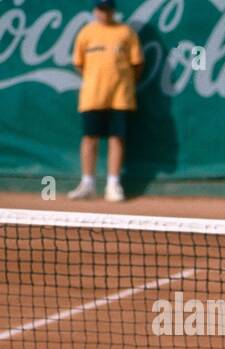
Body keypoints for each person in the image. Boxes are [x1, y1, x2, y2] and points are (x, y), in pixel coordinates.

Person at [68, 1, 143, 203]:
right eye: (101, 9)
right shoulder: (86, 33)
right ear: (95, 10)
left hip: (120, 96)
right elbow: (79, 64)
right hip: (92, 96)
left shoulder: (126, 33)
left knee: (116, 138)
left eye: (108, 9)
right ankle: (87, 184)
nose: (104, 13)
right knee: (89, 139)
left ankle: (113, 184)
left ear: (113, 11)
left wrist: (123, 82)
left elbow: (137, 65)